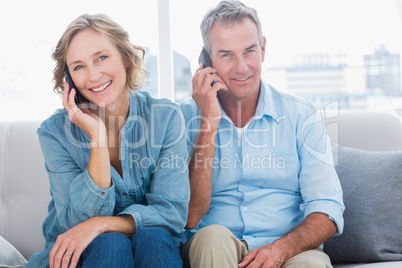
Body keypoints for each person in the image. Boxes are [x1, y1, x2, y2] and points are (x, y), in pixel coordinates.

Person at [179, 1, 345, 267]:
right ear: (206, 59)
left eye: (249, 51)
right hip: (216, 247)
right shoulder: (182, 119)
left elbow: (327, 208)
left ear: (263, 48)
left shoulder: (302, 116)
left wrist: (281, 248)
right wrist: (207, 122)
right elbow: (188, 217)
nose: (242, 67)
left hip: (289, 248)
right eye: (226, 55)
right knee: (211, 238)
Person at [26, 14, 189, 268]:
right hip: (79, 257)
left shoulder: (166, 118)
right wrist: (98, 141)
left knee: (154, 239)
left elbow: (172, 215)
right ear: (69, 79)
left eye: (102, 57)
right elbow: (73, 225)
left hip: (154, 249)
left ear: (125, 57)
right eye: (79, 66)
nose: (93, 75)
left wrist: (100, 224)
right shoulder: (53, 132)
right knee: (110, 244)